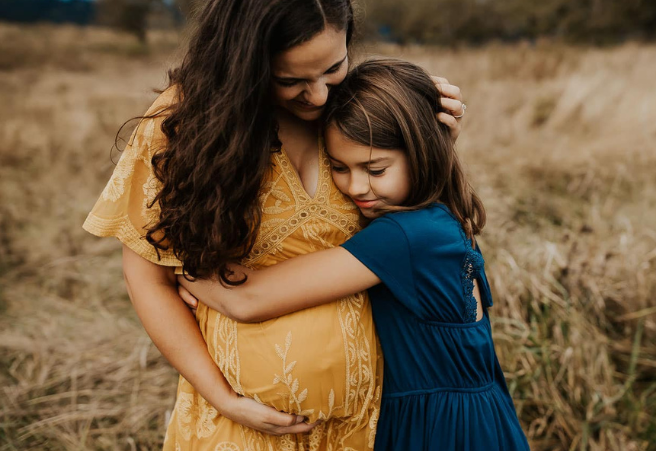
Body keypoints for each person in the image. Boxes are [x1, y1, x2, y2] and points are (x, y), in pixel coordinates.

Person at [82, 0, 465, 449]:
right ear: (244, 62)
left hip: (366, 422)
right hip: (239, 424)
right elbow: (148, 275)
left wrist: (431, 141)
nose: (319, 96)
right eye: (290, 81)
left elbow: (418, 231)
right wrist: (222, 398)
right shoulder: (182, 129)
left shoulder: (360, 110)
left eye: (333, 67)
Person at [178, 59, 530, 451]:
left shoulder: (404, 236)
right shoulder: (441, 214)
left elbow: (248, 299)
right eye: (339, 168)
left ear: (424, 152)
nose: (356, 187)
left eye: (375, 169)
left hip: (439, 429)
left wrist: (184, 269)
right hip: (480, 418)